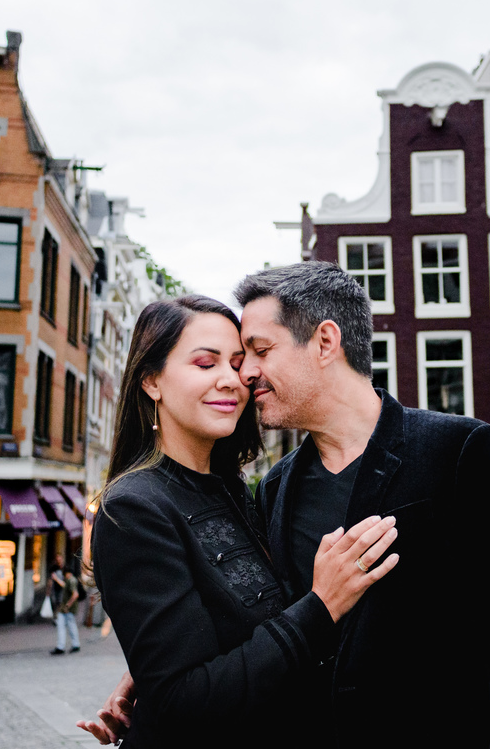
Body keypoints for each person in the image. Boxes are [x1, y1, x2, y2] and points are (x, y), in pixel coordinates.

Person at [85, 264, 490, 747]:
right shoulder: (273, 488)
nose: (245, 375)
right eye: (229, 361)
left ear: (324, 342)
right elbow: (258, 625)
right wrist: (157, 679)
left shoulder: (462, 452)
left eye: (256, 352)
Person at [78, 295, 399, 747]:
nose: (232, 380)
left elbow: (219, 634)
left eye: (237, 363)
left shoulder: (238, 491)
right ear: (151, 380)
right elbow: (182, 700)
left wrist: (144, 671)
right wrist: (321, 606)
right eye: (206, 364)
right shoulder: (134, 508)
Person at [51, 566, 81, 654]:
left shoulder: (71, 580)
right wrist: (56, 579)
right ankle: (73, 644)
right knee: (70, 626)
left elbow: (75, 594)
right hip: (66, 609)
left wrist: (68, 605)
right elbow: (64, 586)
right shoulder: (71, 580)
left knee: (63, 625)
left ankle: (62, 646)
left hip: (67, 609)